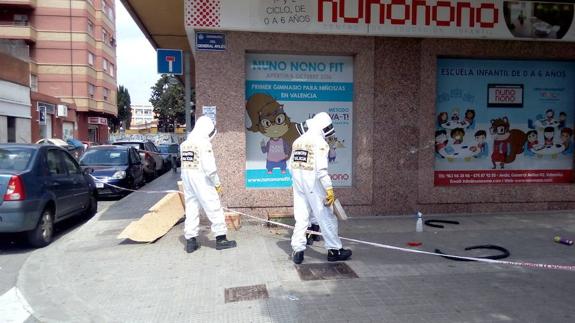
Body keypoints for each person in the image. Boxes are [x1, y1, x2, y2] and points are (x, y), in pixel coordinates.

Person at [289, 112, 352, 264]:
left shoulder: (298, 141)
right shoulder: (320, 143)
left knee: (301, 217)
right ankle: (334, 250)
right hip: (314, 185)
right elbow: (321, 171)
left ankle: (298, 250)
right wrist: (329, 189)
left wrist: (299, 180)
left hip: (298, 184)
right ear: (324, 127)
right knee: (327, 217)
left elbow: (290, 166)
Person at [179, 116, 236, 253]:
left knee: (191, 208)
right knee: (214, 207)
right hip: (202, 180)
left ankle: (191, 241)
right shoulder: (204, 144)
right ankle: (221, 239)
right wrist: (217, 183)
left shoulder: (185, 144)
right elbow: (210, 169)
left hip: (187, 179)